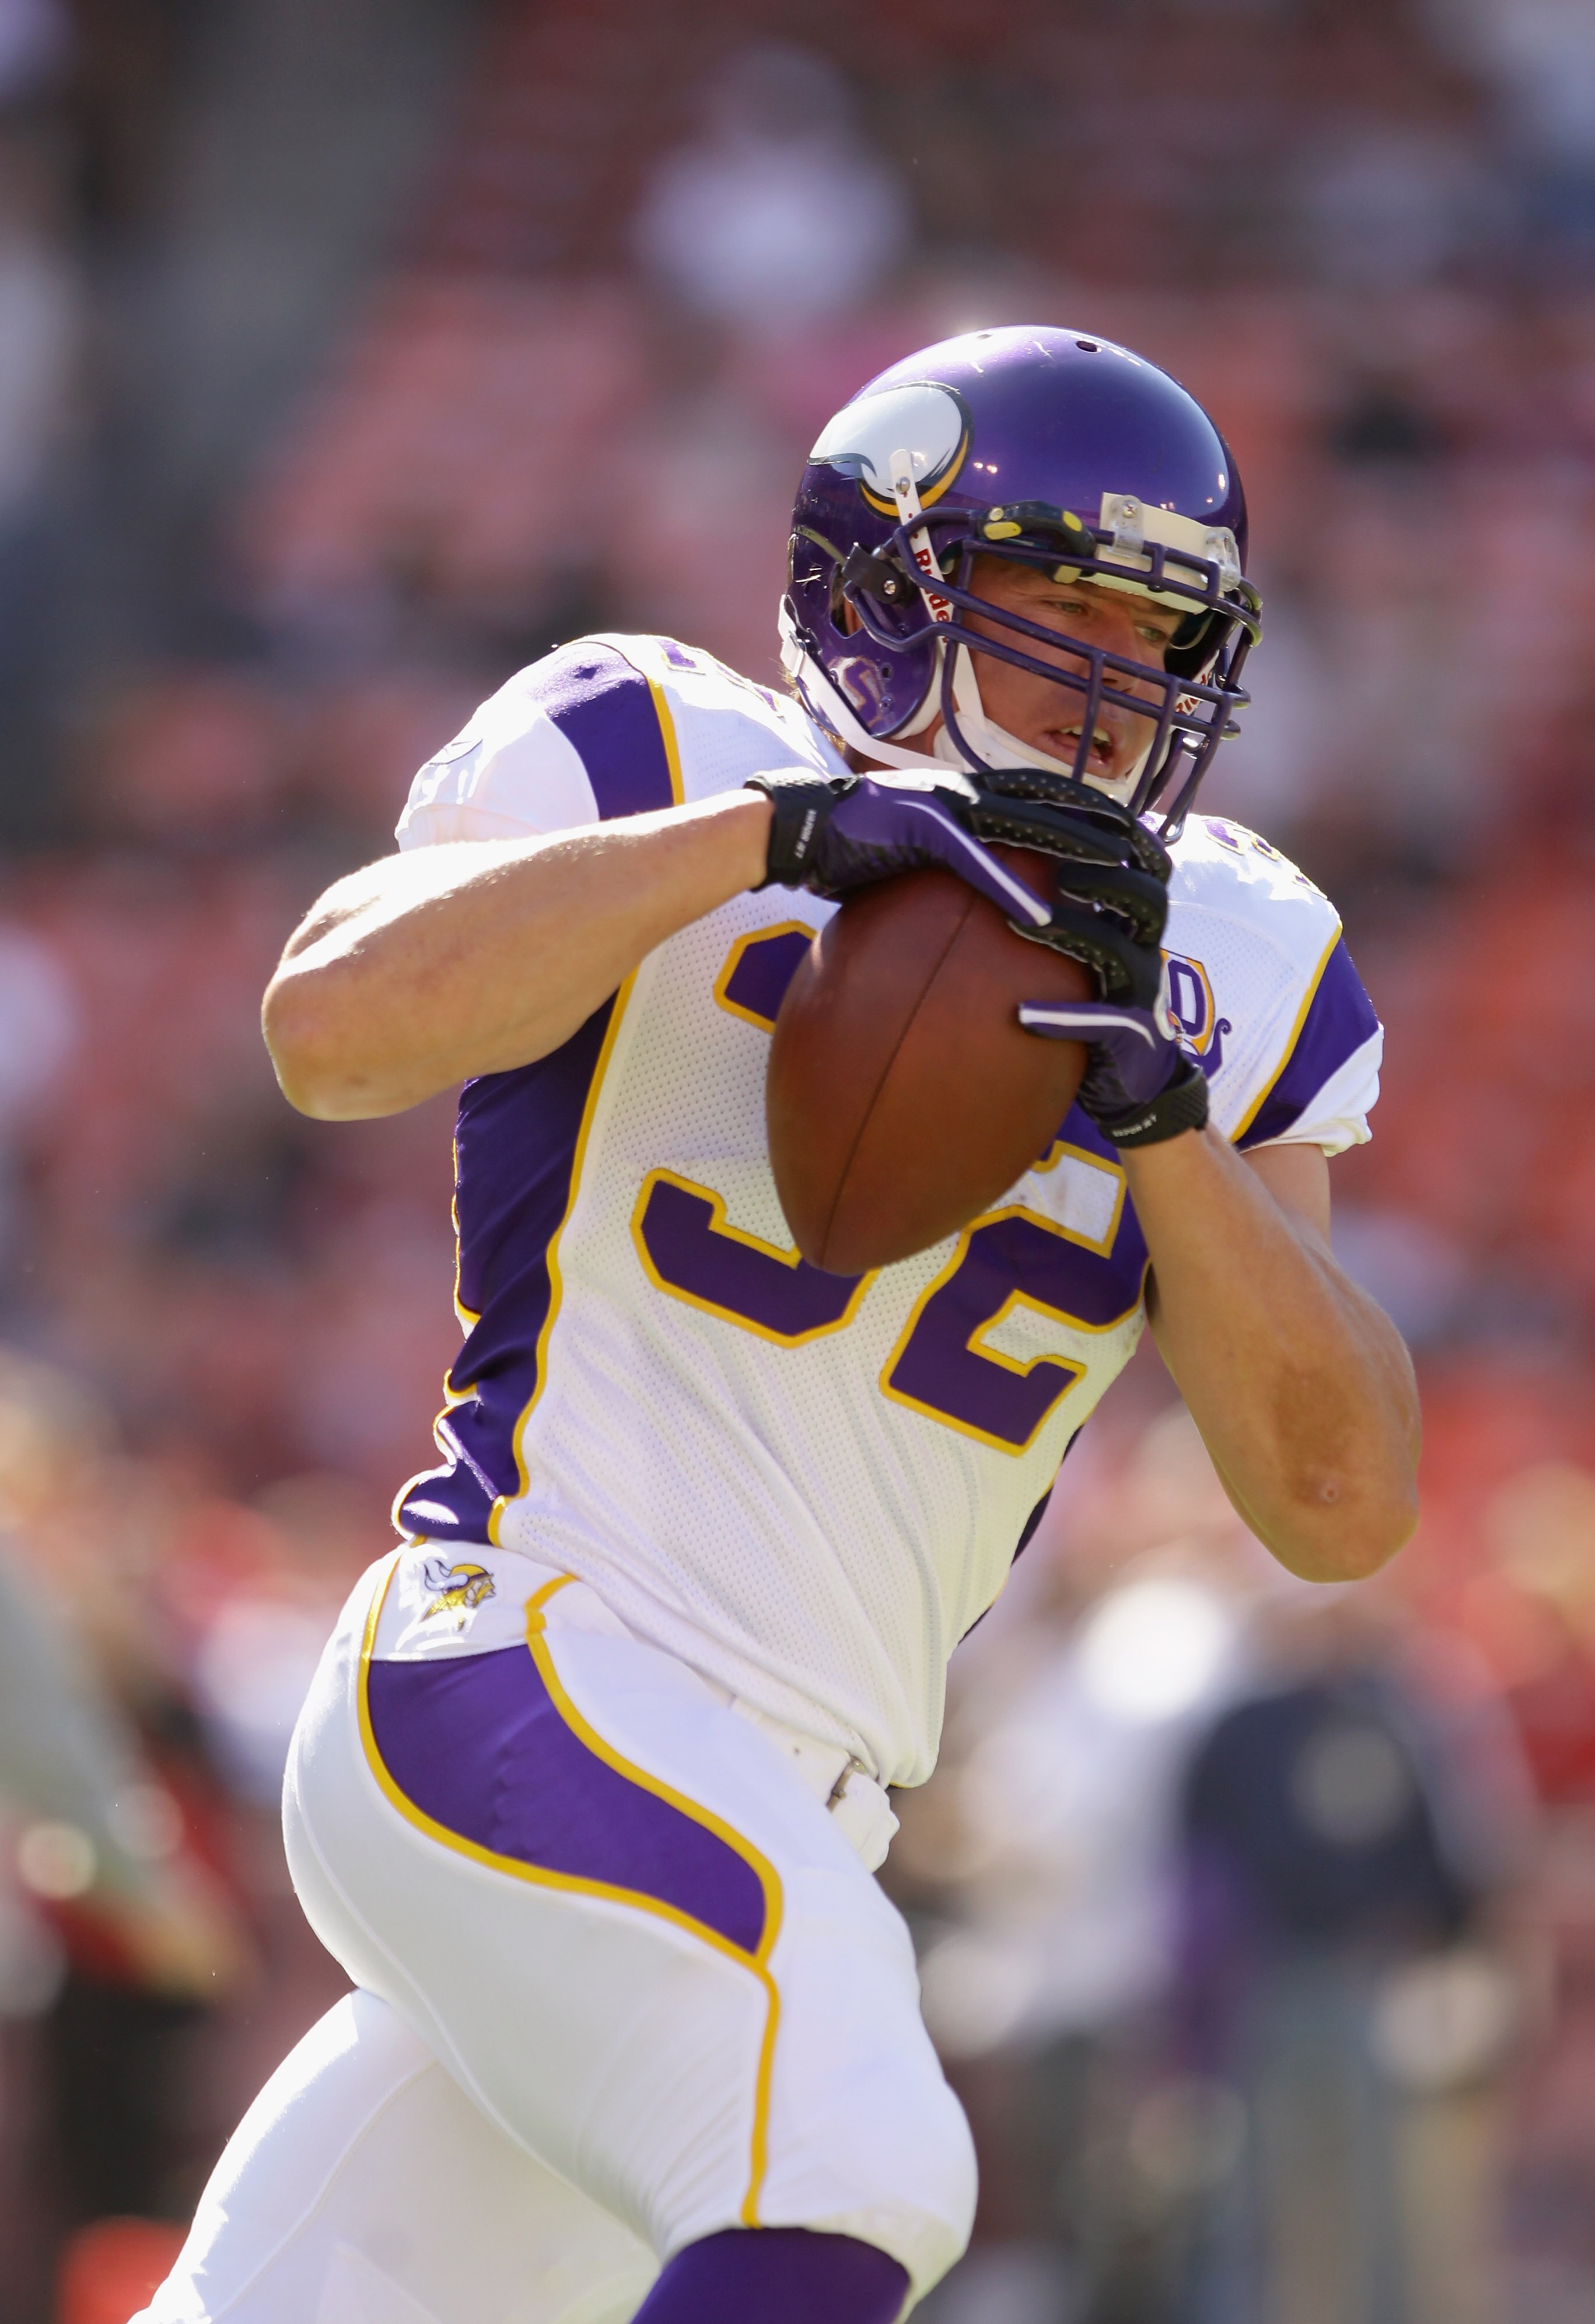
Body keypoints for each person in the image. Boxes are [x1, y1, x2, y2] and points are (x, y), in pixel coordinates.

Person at [140, 326, 1419, 2324]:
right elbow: (328, 1029)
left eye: (1156, 636)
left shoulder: (1233, 952)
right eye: (1055, 600)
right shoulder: (660, 747)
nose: (1110, 692)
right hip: (526, 1659)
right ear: (885, 589)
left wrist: (1162, 1121)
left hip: (796, 1803)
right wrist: (777, 840)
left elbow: (1340, 1501)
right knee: (852, 2166)